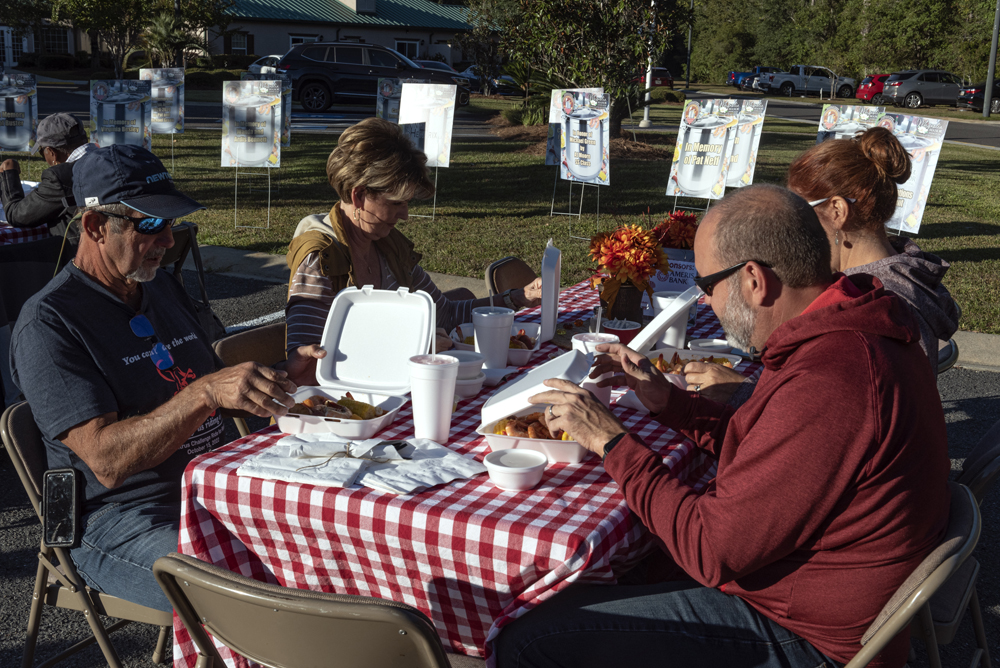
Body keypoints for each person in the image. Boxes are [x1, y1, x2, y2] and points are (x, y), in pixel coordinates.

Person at [495, 185, 950, 668]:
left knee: (528, 637)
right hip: (814, 590)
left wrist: (611, 442)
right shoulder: (843, 327)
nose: (707, 302)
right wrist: (669, 402)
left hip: (812, 638)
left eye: (707, 285)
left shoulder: (833, 377)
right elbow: (775, 448)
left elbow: (708, 550)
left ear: (753, 279)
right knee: (625, 565)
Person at [10, 145, 323, 613]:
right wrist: (205, 393)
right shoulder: (50, 323)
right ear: (96, 226)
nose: (168, 240)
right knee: (264, 593)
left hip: (209, 482)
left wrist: (280, 378)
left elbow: (213, 388)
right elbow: (107, 461)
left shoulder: (157, 286)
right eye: (151, 224)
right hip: (116, 517)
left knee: (328, 540)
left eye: (172, 223)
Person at [686, 127, 958, 402]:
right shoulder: (884, 273)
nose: (788, 223)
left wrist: (744, 394)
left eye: (799, 210)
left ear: (838, 211)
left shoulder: (886, 305)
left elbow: (861, 407)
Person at [285, 117, 542, 375]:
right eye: (397, 203)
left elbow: (446, 314)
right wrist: (414, 348)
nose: (405, 215)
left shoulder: (388, 247)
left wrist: (517, 297)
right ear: (359, 195)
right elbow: (311, 365)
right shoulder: (319, 259)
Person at [0, 112, 92, 234]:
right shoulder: (107, 159)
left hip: (76, 248)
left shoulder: (60, 177)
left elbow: (17, 215)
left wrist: (9, 174)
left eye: (41, 152)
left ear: (51, 152)